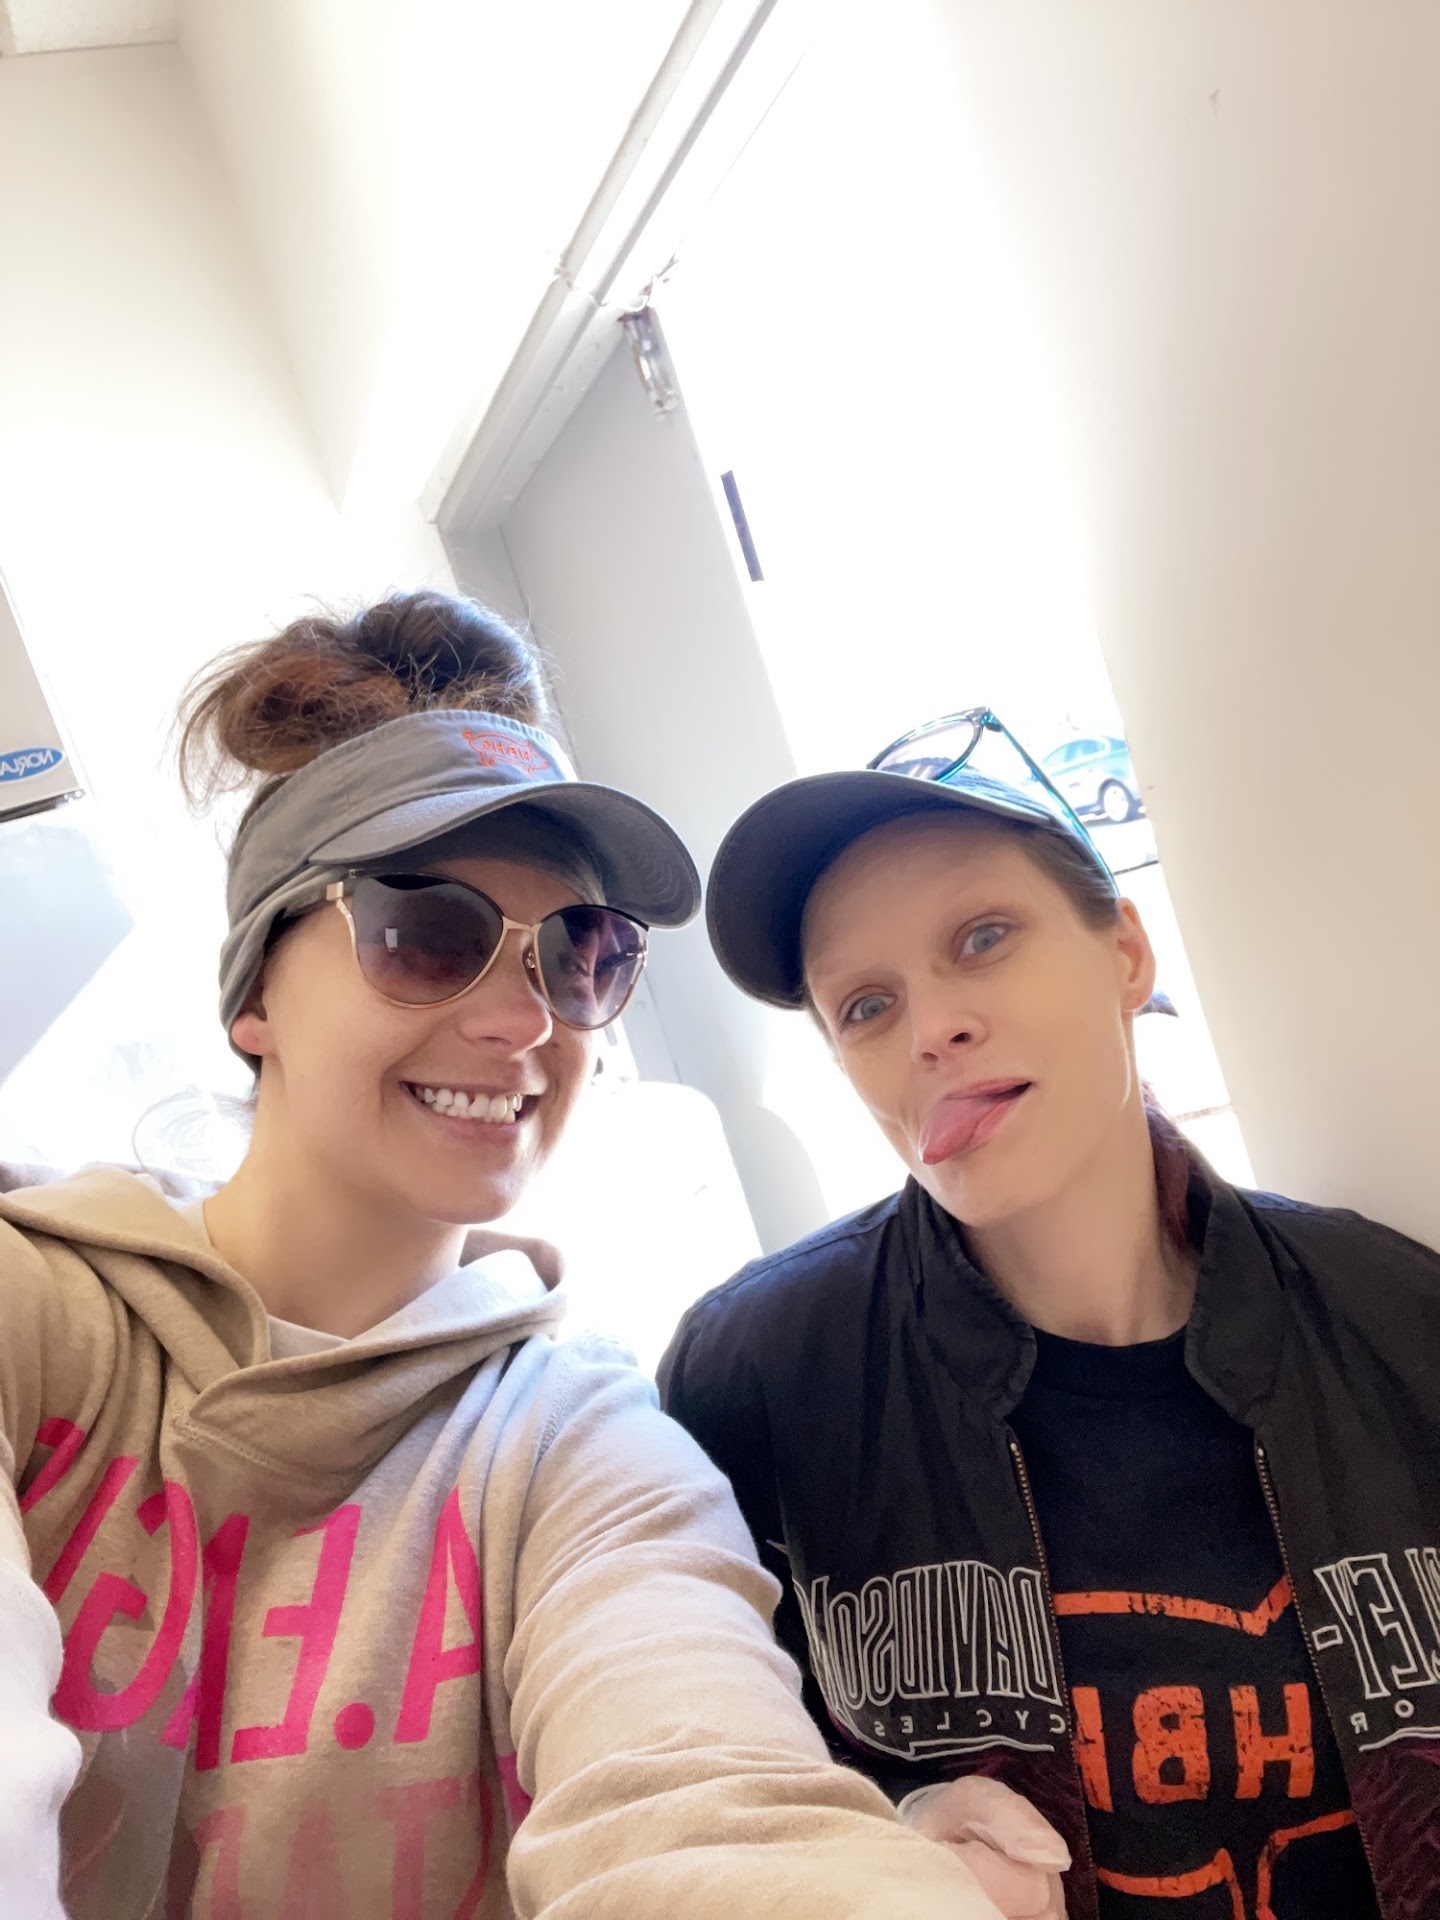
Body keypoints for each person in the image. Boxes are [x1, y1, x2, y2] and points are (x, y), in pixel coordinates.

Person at [0, 593, 1006, 1920]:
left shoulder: (581, 1445)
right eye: (426, 935)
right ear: (255, 998)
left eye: (581, 956)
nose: (524, 1020)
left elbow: (711, 1806)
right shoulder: (34, 1316)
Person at [661, 756, 1440, 1919]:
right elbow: (698, 1777)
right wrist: (886, 1829)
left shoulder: (1395, 1317)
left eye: (982, 938)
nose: (932, 1029)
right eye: (866, 1006)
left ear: (1126, 952)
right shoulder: (756, 1372)